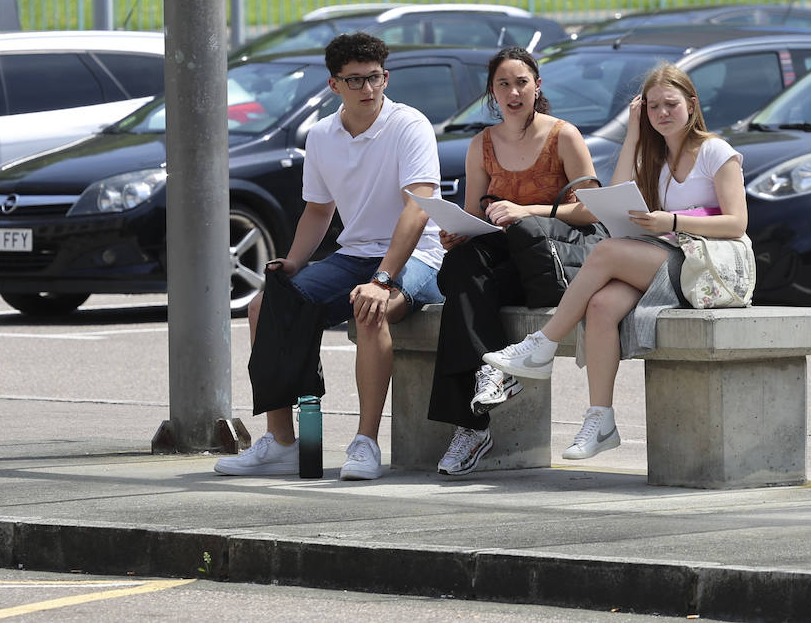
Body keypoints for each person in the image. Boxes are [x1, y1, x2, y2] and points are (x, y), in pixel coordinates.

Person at [482, 62, 750, 462]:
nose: (662, 113)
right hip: (674, 257)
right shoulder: (655, 158)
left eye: (670, 104)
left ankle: (543, 344)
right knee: (601, 305)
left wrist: (670, 220)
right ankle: (600, 419)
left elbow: (738, 223)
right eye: (653, 106)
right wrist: (633, 135)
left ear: (691, 105)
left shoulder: (715, 151)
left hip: (712, 267)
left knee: (605, 251)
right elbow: (617, 196)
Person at [215, 32, 445, 481]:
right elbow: (319, 211)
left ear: (386, 77)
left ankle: (365, 444)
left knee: (367, 305)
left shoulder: (409, 124)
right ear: (333, 84)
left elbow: (418, 208)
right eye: (355, 80)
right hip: (353, 255)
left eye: (375, 78)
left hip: (419, 257)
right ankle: (281, 442)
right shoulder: (321, 135)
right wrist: (295, 262)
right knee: (265, 306)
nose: (368, 89)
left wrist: (382, 278)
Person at [428, 47, 599, 476]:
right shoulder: (482, 144)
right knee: (462, 268)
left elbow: (591, 212)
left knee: (465, 289)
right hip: (502, 261)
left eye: (521, 82)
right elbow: (473, 214)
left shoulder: (564, 135)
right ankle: (476, 414)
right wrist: (455, 232)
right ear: (492, 93)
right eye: (503, 84)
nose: (513, 92)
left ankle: (474, 414)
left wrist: (529, 211)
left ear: (537, 86)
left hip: (549, 262)